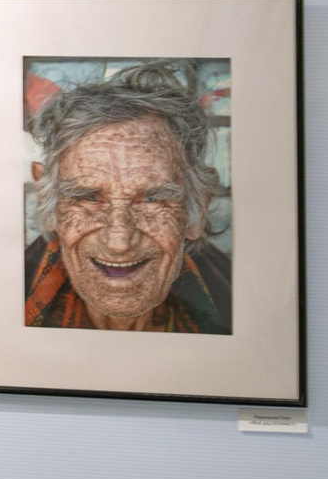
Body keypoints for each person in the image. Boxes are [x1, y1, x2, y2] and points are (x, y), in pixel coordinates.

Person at [23, 62, 233, 333]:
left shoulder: (245, 309)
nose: (119, 242)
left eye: (152, 200)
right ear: (46, 199)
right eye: (89, 198)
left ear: (198, 209)